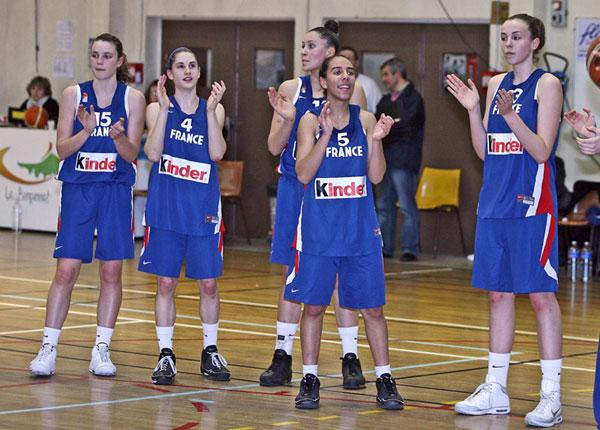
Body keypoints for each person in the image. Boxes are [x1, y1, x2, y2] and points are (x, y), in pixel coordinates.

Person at [446, 14, 564, 427]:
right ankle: (495, 388)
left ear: (534, 42)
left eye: (517, 37)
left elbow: (542, 150)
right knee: (498, 296)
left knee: (539, 297)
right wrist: (475, 111)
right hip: (493, 204)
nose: (509, 43)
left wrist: (513, 116)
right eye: (504, 37)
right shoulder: (495, 85)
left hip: (531, 206)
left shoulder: (546, 85)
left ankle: (551, 395)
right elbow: (485, 152)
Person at [287, 54, 402, 410]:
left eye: (350, 72)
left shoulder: (365, 120)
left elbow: (377, 176)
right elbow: (304, 174)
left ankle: (384, 378)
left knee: (374, 310)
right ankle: (309, 378)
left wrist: (378, 139)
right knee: (316, 307)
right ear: (322, 81)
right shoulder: (309, 121)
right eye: (337, 71)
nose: (345, 77)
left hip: (360, 233)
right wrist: (324, 136)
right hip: (320, 233)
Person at [29, 33, 145, 377]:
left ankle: (102, 349)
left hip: (114, 191)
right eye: (95, 55)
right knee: (66, 269)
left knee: (111, 271)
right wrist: (87, 130)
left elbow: (132, 154)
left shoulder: (133, 99)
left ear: (120, 61)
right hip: (79, 189)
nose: (100, 61)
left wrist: (119, 138)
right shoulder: (73, 94)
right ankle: (48, 348)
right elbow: (62, 150)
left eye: (107, 56)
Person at [263, 20, 368, 389]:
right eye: (303, 45)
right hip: (296, 187)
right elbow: (274, 147)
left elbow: (365, 153)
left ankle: (350, 356)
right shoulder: (292, 89)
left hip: (337, 193)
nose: (303, 51)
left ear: (328, 53)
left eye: (310, 46)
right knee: (292, 273)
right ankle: (282, 354)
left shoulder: (351, 95)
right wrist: (286, 119)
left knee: (340, 274)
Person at [139, 47, 229, 384]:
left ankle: (210, 351)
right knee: (166, 282)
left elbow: (217, 153)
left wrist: (210, 112)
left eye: (192, 66)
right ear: (170, 74)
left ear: (199, 72)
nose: (188, 71)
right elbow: (152, 152)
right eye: (181, 66)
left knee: (208, 283)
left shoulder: (213, 111)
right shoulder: (156, 108)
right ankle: (165, 353)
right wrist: (163, 110)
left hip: (203, 210)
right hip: (166, 209)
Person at [375, 57, 425, 261]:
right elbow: (379, 124)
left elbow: (407, 127)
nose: (384, 79)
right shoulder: (385, 101)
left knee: (406, 206)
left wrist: (390, 128)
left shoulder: (414, 99)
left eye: (387, 74)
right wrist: (392, 126)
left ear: (397, 73)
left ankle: (409, 248)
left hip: (404, 161)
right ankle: (384, 247)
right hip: (384, 160)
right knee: (384, 206)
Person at [339, 46, 382, 114]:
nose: (345, 61)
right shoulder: (332, 82)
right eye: (342, 58)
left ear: (357, 62)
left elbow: (378, 110)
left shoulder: (369, 84)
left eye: (349, 58)